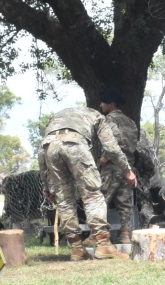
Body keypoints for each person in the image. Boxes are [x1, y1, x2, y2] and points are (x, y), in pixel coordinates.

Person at [38, 106, 137, 260]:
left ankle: (76, 249)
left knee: (64, 199)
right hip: (75, 144)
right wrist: (127, 170)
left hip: (50, 147)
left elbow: (41, 154)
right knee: (92, 195)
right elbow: (111, 147)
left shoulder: (56, 118)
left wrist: (47, 188)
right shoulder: (97, 116)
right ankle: (103, 245)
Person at [98, 87, 140, 244]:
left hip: (112, 166)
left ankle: (97, 235)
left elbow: (113, 141)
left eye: (103, 103)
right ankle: (124, 235)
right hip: (128, 167)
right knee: (125, 203)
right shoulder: (131, 122)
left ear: (110, 104)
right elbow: (133, 143)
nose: (101, 106)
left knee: (101, 200)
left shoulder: (109, 120)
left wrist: (105, 158)